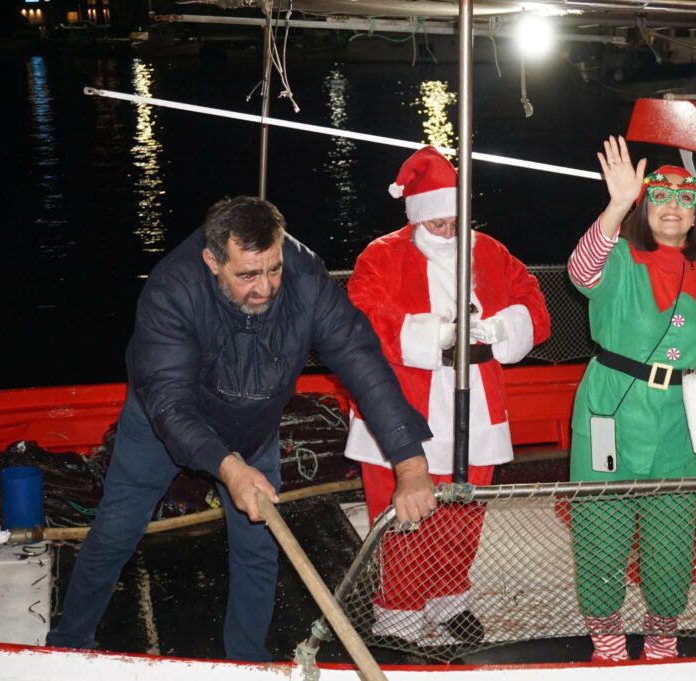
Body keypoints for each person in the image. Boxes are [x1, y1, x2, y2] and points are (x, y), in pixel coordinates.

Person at [46, 196, 435, 662]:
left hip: (253, 426)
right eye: (248, 275)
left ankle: (247, 662)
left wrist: (410, 463)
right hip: (161, 425)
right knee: (115, 533)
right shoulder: (172, 290)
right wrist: (228, 468)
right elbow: (169, 403)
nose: (265, 287)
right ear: (212, 261)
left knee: (257, 547)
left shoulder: (306, 277)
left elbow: (362, 361)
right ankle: (67, 646)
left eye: (273, 269)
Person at [343, 146, 551, 646]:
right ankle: (397, 613)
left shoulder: (490, 251)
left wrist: (501, 327)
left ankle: (449, 598)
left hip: (476, 403)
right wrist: (434, 334)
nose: (446, 229)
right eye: (436, 221)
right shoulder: (382, 255)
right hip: (404, 403)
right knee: (405, 517)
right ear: (416, 213)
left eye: (454, 221)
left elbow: (534, 306)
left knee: (464, 511)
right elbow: (359, 319)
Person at [566, 136, 696, 662]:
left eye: (685, 200)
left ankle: (663, 629)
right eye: (659, 196)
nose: (672, 206)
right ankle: (606, 631)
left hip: (677, 419)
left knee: (672, 532)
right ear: (645, 207)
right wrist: (616, 205)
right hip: (610, 410)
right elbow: (580, 271)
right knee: (601, 525)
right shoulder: (620, 257)